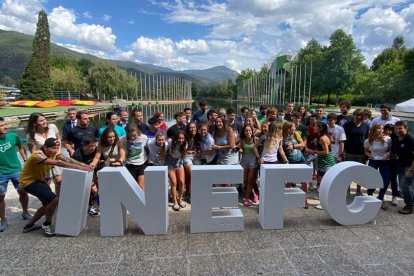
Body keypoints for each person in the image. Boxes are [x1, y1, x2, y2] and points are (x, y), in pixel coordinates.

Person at [21, 138, 92, 237]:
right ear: (45, 147)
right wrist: (80, 168)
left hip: (38, 180)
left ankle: (29, 225)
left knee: (47, 203)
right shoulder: (38, 155)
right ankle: (47, 224)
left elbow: (67, 159)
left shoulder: (54, 154)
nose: (56, 150)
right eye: (53, 148)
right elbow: (59, 163)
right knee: (54, 199)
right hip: (28, 182)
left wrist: (83, 164)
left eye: (57, 148)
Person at [0, 117, 31, 232]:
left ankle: (25, 212)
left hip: (16, 170)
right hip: (0, 173)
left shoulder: (13, 136)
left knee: (23, 192)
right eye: (2, 125)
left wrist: (25, 159)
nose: (5, 127)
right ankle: (3, 220)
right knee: (0, 197)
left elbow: (21, 147)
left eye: (5, 124)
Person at [26, 112, 63, 196]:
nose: (44, 122)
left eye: (44, 119)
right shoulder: (31, 135)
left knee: (58, 180)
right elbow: (33, 151)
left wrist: (58, 151)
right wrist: (42, 160)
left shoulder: (52, 127)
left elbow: (59, 139)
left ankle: (59, 199)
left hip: (56, 157)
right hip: (44, 161)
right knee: (46, 182)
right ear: (34, 123)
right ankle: (49, 199)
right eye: (41, 121)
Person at [306, 122, 336, 210]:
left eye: (315, 126)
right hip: (322, 162)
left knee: (325, 183)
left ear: (320, 128)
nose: (314, 127)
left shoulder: (323, 138)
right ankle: (321, 198)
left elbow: (326, 152)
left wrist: (312, 151)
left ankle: (324, 203)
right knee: (321, 181)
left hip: (327, 163)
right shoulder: (319, 137)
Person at [364, 123, 392, 210]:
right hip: (373, 161)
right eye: (378, 128)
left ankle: (380, 197)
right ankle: (369, 196)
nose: (381, 130)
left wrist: (387, 153)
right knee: (371, 178)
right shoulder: (368, 140)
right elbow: (366, 150)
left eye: (382, 128)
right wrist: (369, 155)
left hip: (385, 161)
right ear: (374, 130)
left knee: (386, 179)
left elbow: (391, 149)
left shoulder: (388, 139)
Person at [343, 109, 370, 196]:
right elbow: (343, 139)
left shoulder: (366, 126)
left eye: (358, 115)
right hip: (349, 152)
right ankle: (347, 190)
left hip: (361, 153)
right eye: (354, 115)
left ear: (362, 116)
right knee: (348, 172)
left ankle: (358, 190)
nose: (356, 117)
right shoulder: (347, 125)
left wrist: (367, 152)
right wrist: (343, 151)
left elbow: (367, 139)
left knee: (360, 173)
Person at [72, 135, 100, 217]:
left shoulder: (94, 151)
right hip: (80, 174)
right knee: (90, 191)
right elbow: (75, 169)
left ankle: (90, 207)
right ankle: (83, 208)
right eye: (91, 146)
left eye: (95, 145)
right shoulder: (77, 155)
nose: (93, 148)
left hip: (91, 172)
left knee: (95, 191)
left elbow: (97, 157)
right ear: (84, 145)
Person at [393, 121, 414, 214]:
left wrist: (411, 170)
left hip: (408, 167)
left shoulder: (411, 139)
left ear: (406, 128)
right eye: (396, 128)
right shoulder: (398, 138)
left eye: (400, 128)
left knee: (405, 186)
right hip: (401, 165)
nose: (398, 130)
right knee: (406, 186)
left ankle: (409, 207)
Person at [239, 125, 260, 207]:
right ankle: (255, 194)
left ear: (252, 131)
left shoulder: (256, 139)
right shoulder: (242, 139)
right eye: (246, 131)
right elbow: (241, 148)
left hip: (253, 160)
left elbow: (258, 149)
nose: (248, 132)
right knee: (244, 180)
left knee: (250, 180)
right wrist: (240, 149)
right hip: (244, 159)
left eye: (249, 130)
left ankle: (247, 198)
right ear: (244, 132)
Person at [167, 131, 187, 211]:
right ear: (176, 138)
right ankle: (175, 201)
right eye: (179, 138)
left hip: (179, 161)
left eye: (182, 138)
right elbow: (164, 151)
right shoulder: (170, 142)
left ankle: (180, 199)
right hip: (169, 162)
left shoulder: (185, 144)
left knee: (182, 182)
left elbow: (183, 155)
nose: (181, 140)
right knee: (174, 182)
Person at [125, 125, 148, 190]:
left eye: (134, 135)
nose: (132, 138)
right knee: (132, 186)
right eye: (130, 136)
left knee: (141, 186)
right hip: (130, 164)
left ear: (138, 132)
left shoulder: (144, 138)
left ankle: (143, 199)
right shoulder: (124, 139)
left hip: (141, 164)